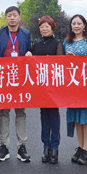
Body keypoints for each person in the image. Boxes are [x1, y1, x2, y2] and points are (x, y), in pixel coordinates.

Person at [0, 6, 33, 162]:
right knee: (3, 112)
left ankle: (22, 147)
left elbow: (29, 52)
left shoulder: (25, 34)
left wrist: (30, 54)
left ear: (19, 17)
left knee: (20, 112)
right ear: (6, 18)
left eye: (15, 15)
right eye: (9, 15)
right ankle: (4, 146)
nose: (12, 18)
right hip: (3, 78)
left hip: (20, 78)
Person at [63, 14, 87, 165]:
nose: (76, 26)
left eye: (79, 23)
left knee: (86, 116)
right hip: (72, 85)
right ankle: (80, 147)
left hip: (86, 84)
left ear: (84, 26)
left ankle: (86, 149)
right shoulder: (66, 42)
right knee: (76, 116)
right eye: (74, 23)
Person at [32, 16, 64, 164]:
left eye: (47, 26)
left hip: (54, 86)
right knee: (43, 115)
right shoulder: (36, 45)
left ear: (52, 27)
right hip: (41, 86)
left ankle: (55, 146)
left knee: (54, 115)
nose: (44, 29)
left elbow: (59, 63)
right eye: (42, 27)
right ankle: (46, 145)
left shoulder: (58, 44)